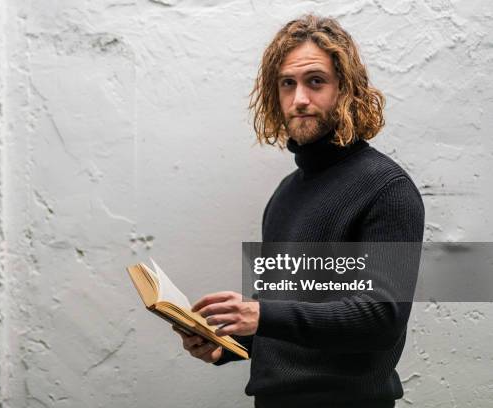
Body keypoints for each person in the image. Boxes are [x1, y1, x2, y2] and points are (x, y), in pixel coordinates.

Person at [173, 14, 425, 408]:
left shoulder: (387, 188)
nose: (300, 99)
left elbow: (381, 319)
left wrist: (261, 314)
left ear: (346, 89)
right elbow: (282, 310)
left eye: (315, 81)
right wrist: (226, 343)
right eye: (287, 84)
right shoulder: (284, 194)